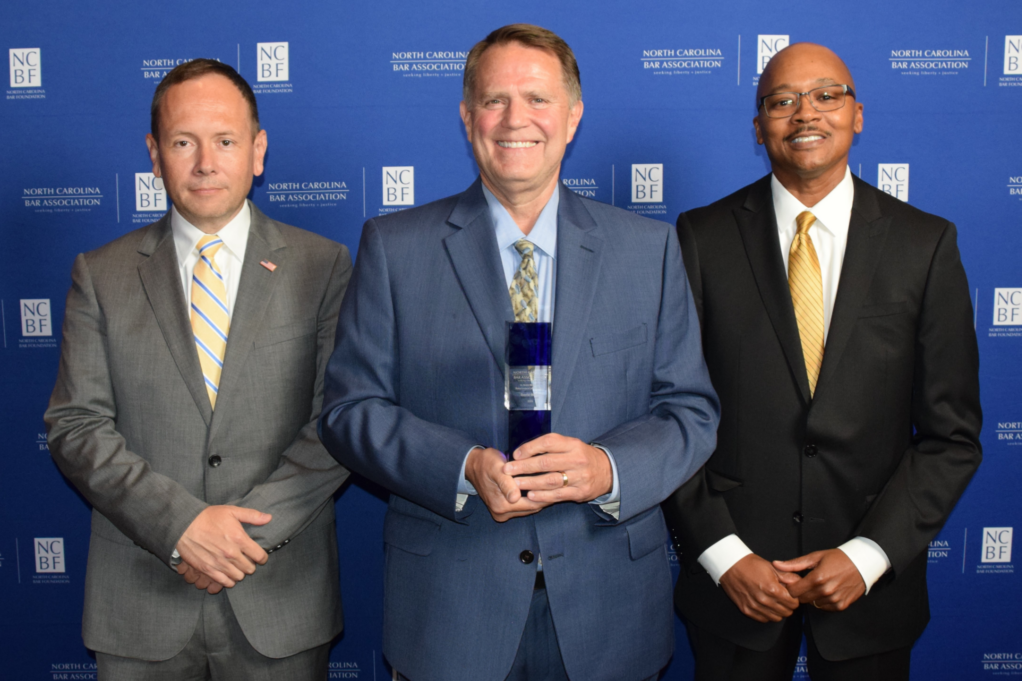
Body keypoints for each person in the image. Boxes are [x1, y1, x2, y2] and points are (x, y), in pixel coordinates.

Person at [318, 23, 719, 681]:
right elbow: (349, 411)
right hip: (450, 614)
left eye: (536, 99)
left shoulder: (649, 251)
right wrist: (462, 464)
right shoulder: (395, 248)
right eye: (494, 99)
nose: (515, 120)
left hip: (608, 615)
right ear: (466, 115)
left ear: (572, 116)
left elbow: (690, 413)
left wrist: (606, 467)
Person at [663, 43, 982, 681]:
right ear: (758, 128)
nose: (804, 113)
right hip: (737, 585)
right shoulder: (700, 237)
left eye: (825, 95)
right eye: (781, 101)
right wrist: (724, 555)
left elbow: (952, 437)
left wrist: (870, 554)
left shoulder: (925, 244)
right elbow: (669, 413)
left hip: (872, 584)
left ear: (857, 114)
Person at [45, 59, 352, 680]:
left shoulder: (323, 267)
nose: (205, 161)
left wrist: (239, 543)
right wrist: (182, 527)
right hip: (139, 602)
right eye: (184, 142)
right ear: (154, 155)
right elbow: (76, 425)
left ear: (258, 151)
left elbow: (339, 423)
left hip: (279, 601)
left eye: (226, 141)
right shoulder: (100, 274)